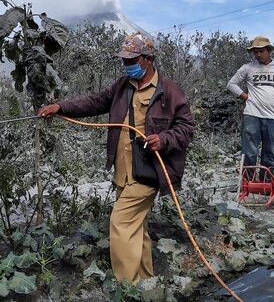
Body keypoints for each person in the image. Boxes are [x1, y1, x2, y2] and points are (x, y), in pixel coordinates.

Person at [37, 33, 194, 284]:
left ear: (147, 60)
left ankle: (127, 287)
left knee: (121, 224)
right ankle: (145, 280)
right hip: (124, 171)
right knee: (136, 226)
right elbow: (95, 102)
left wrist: (163, 139)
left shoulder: (170, 91)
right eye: (124, 60)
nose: (126, 65)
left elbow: (186, 129)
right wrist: (61, 107)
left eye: (131, 60)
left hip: (149, 170)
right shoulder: (122, 86)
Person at [227, 35, 274, 169]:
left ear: (269, 51)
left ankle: (267, 184)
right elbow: (231, 84)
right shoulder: (248, 68)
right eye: (255, 52)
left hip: (273, 117)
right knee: (249, 152)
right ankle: (248, 183)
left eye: (261, 51)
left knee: (270, 152)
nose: (258, 55)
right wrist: (245, 96)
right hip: (252, 115)